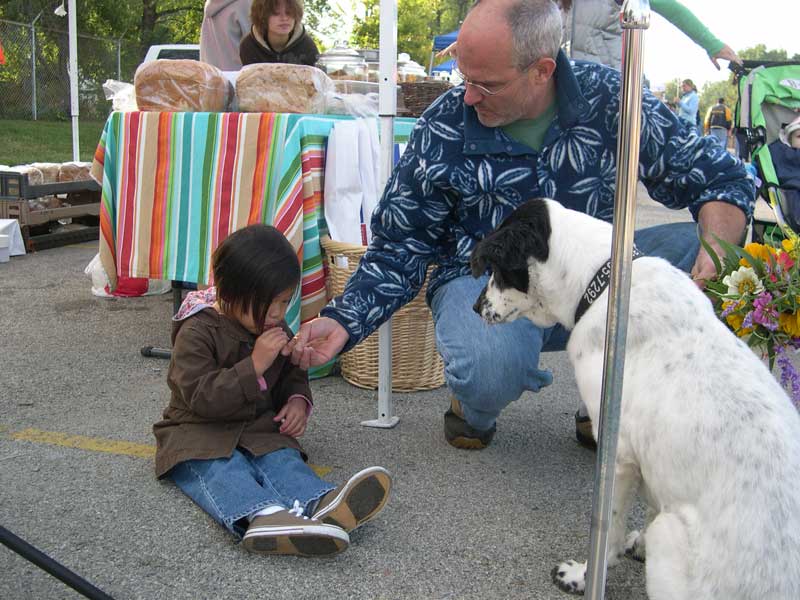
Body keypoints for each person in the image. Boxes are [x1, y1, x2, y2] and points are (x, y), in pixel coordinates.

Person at [286, 0, 755, 451]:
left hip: (600, 279)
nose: (467, 95)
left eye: (485, 84)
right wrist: (343, 319)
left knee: (719, 257)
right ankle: (476, 405)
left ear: (542, 70)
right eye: (464, 77)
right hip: (490, 284)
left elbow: (722, 178)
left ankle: (615, 398)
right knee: (489, 370)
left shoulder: (615, 99)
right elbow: (400, 244)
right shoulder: (445, 124)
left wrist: (712, 262)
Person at [153, 225, 391, 556]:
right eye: (270, 303)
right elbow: (200, 397)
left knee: (281, 456)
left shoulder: (272, 325)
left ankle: (320, 503)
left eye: (284, 300)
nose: (279, 313)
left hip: (257, 427)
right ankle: (263, 516)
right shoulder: (197, 330)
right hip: (196, 431)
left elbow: (293, 371)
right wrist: (254, 365)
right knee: (223, 469)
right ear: (231, 292)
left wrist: (296, 400)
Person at [437, 0, 742, 73]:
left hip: (604, 85)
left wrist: (711, 43)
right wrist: (466, 40)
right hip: (556, 84)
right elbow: (502, 11)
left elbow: (667, 6)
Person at [239, 0, 319, 67]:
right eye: (276, 13)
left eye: (289, 12)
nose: (284, 18)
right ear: (262, 16)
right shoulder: (249, 45)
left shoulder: (307, 45)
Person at [199, 0, 252, 71]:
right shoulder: (246, 4)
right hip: (240, 77)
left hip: (210, 75)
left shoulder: (210, 4)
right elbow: (257, 47)